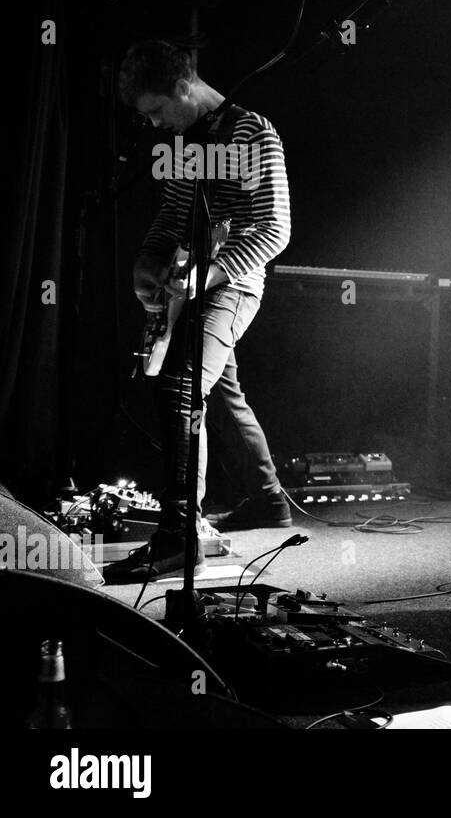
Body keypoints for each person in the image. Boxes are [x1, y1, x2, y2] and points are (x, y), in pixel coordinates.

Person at [106, 40, 293, 584]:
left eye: (158, 110)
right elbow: (174, 212)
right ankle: (268, 499)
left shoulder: (253, 133)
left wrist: (208, 274)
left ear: (184, 87)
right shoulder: (189, 141)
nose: (156, 124)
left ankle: (178, 538)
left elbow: (274, 229)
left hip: (234, 286)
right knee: (225, 391)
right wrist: (146, 260)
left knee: (182, 387)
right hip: (193, 285)